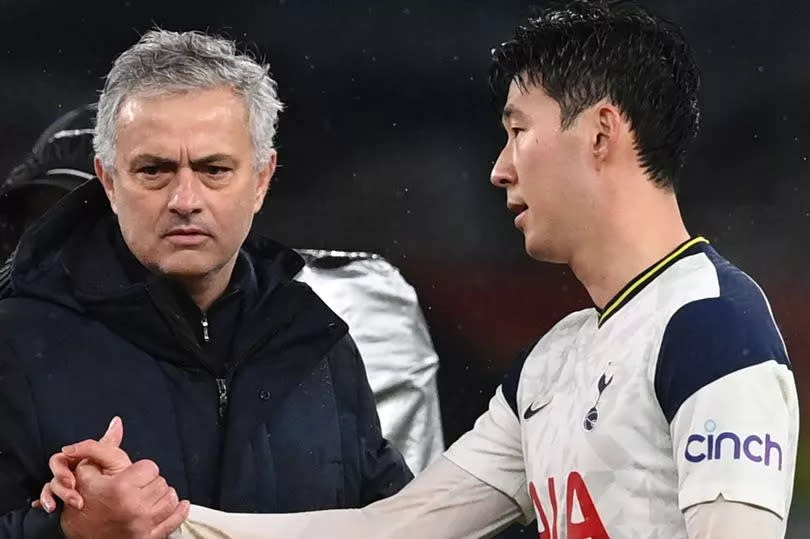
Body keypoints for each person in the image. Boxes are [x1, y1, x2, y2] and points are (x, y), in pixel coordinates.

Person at [39, 1, 800, 538]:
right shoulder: (553, 362)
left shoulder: (713, 328)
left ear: (600, 133)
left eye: (517, 131)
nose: (499, 169)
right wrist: (158, 519)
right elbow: (389, 526)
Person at [0, 29, 413, 538]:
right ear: (108, 181)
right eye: (154, 170)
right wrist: (69, 531)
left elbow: (393, 526)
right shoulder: (15, 344)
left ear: (262, 178)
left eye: (214, 169)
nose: (185, 199)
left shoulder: (317, 344)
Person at [0, 105, 445, 476]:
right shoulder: (22, 348)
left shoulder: (329, 313)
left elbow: (396, 516)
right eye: (40, 224)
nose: (62, 246)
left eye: (88, 221)